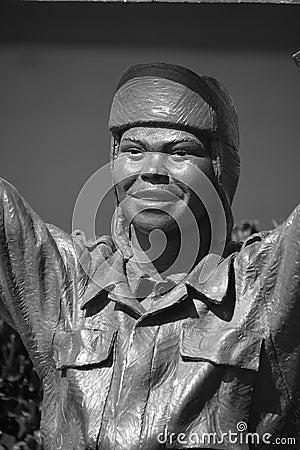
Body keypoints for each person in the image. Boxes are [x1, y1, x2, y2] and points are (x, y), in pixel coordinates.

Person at [0, 63, 299, 450]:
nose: (153, 170)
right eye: (134, 150)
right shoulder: (66, 285)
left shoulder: (263, 286)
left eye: (180, 152)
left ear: (220, 171)